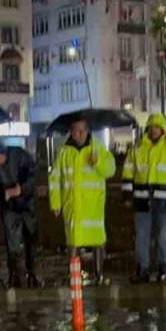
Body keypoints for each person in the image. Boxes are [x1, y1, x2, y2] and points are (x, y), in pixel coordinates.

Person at [122, 113, 166, 282]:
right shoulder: (136, 148)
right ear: (147, 129)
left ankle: (163, 267)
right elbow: (128, 172)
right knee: (142, 236)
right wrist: (127, 195)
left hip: (164, 199)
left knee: (162, 235)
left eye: (157, 127)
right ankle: (143, 269)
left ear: (162, 129)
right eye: (151, 127)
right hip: (142, 198)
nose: (154, 131)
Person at [48, 119, 116, 284]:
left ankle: (99, 275)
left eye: (83, 130)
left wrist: (98, 162)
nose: (80, 134)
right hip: (74, 206)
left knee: (98, 241)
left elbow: (110, 170)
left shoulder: (97, 148)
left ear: (88, 131)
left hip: (93, 206)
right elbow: (55, 179)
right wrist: (56, 203)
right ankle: (75, 275)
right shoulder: (64, 152)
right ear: (71, 131)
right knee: (73, 241)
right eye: (77, 130)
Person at [0, 140, 40, 288]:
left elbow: (32, 174)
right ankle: (14, 274)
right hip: (10, 207)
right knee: (12, 243)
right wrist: (3, 194)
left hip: (27, 205)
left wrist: (21, 189)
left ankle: (31, 272)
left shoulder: (19, 155)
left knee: (31, 239)